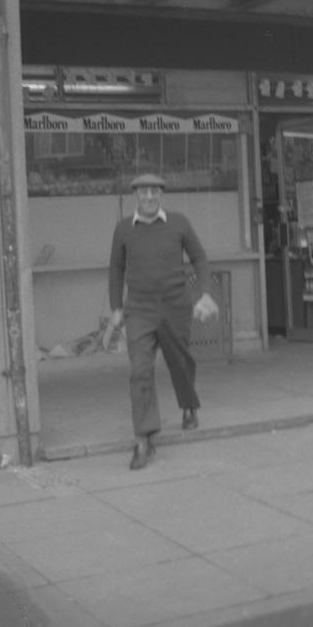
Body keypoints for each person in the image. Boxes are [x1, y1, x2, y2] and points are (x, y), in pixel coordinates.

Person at [106, 173, 219, 470]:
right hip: (139, 311)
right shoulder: (123, 230)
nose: (149, 198)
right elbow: (116, 269)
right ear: (136, 197)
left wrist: (205, 294)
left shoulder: (179, 223)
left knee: (180, 363)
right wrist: (116, 308)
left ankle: (188, 405)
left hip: (175, 308)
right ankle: (144, 438)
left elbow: (200, 258)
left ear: (161, 196)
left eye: (154, 192)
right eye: (143, 193)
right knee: (140, 371)